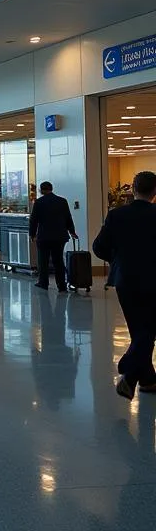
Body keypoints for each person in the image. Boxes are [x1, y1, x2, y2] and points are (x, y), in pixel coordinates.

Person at [93, 170, 156, 400]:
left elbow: (99, 247)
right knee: (147, 330)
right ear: (154, 192)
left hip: (125, 281)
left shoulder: (116, 215)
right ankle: (130, 374)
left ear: (132, 189)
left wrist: (117, 260)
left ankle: (147, 380)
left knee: (139, 328)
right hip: (153, 281)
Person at [29, 180, 78, 292]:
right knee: (58, 260)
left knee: (43, 260)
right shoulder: (62, 201)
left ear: (41, 190)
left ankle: (43, 283)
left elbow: (34, 220)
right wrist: (72, 232)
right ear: (52, 189)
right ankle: (61, 285)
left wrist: (32, 234)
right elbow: (68, 218)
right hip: (60, 236)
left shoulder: (39, 202)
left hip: (44, 237)